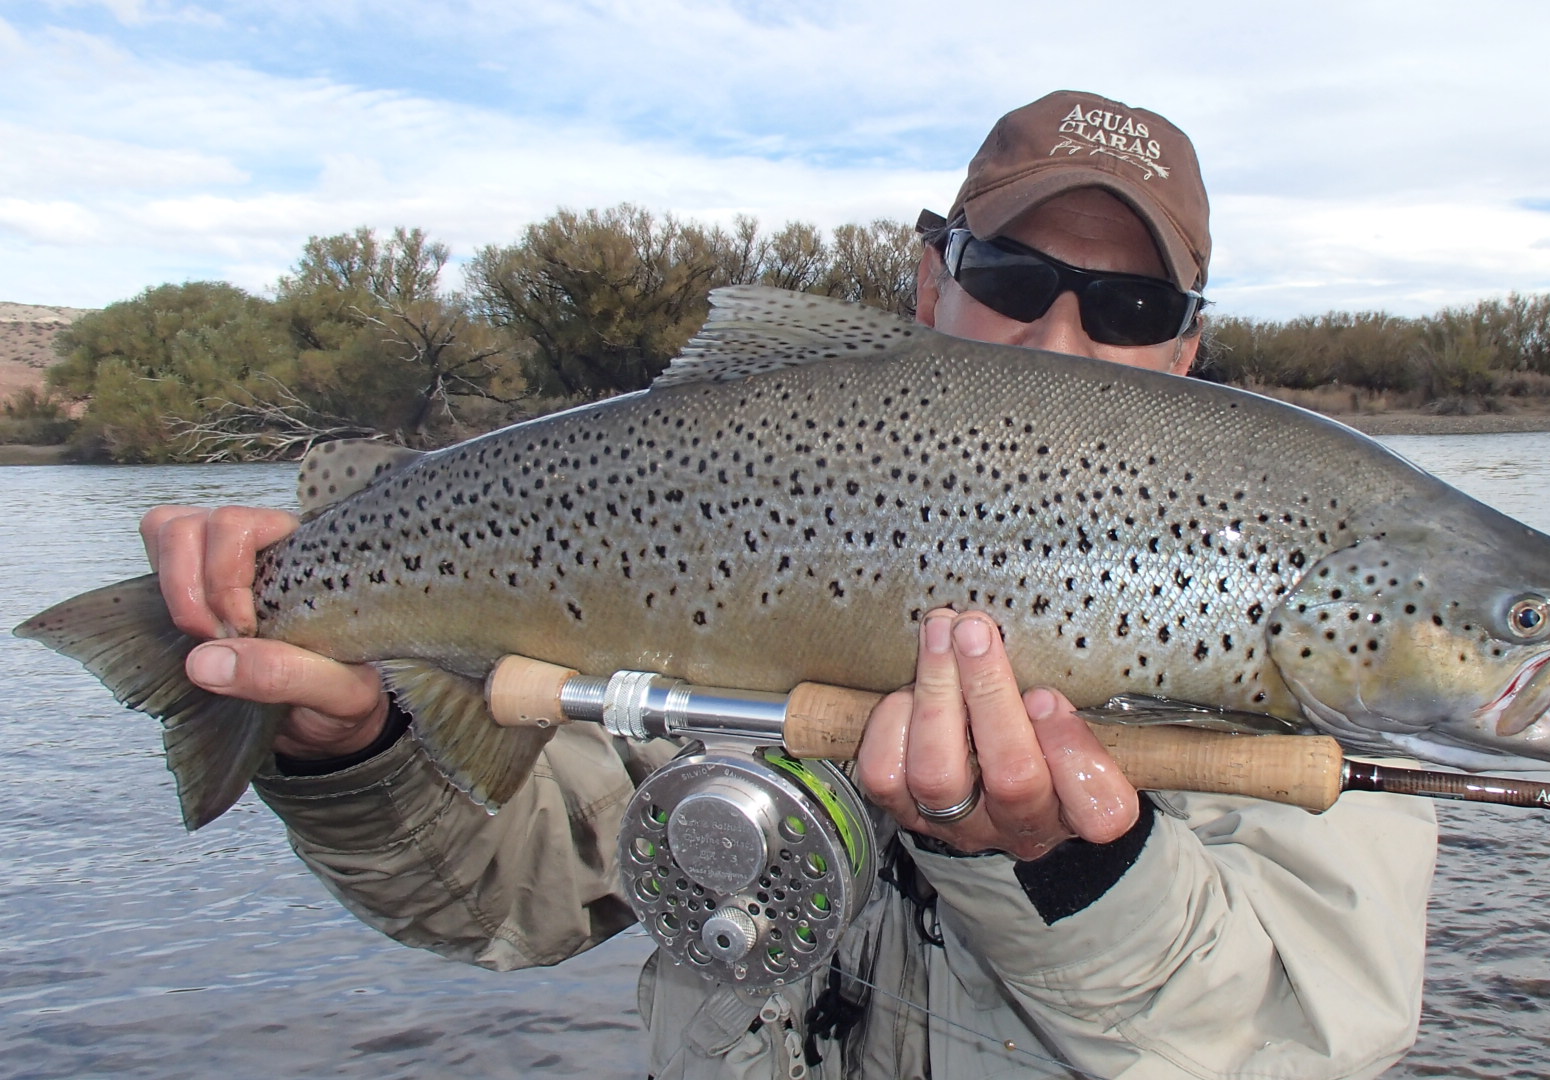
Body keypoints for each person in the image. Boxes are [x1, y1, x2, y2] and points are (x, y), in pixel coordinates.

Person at [139, 91, 1439, 1079]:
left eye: (1130, 302)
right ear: (933, 279)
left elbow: (1299, 1045)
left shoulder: (1312, 618)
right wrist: (351, 747)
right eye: (1012, 279)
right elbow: (507, 901)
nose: (1059, 335)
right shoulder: (731, 514)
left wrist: (1055, 866)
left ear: (1191, 338)